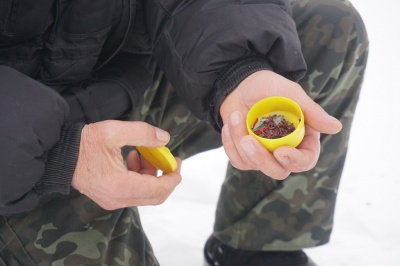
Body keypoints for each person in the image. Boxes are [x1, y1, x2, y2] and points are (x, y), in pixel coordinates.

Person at [0, 0, 368, 265]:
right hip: (20, 160)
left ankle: (256, 246)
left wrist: (239, 68)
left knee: (331, 27)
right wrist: (62, 153)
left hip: (121, 84)